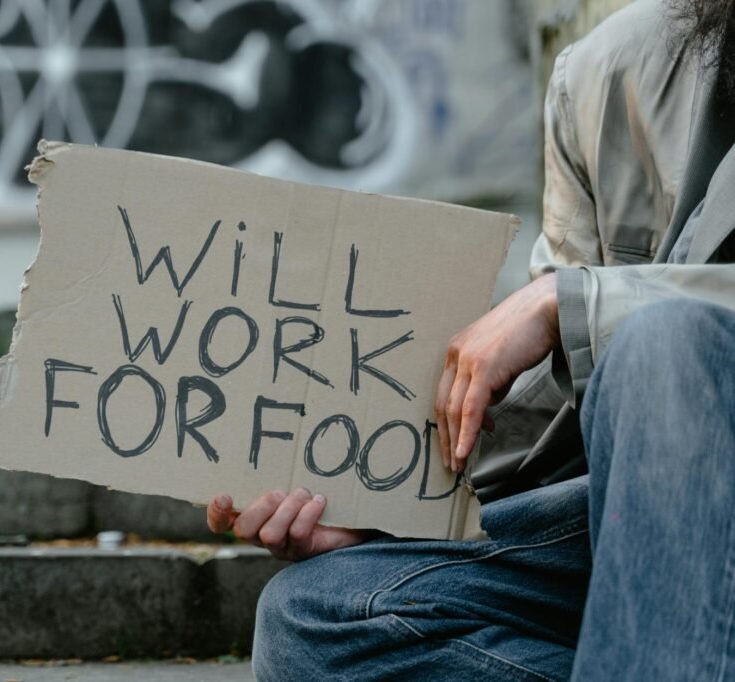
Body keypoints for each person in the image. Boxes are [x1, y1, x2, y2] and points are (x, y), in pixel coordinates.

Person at [207, 0, 735, 678]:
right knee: (318, 619)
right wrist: (388, 502)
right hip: (642, 525)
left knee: (664, 344)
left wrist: (577, 303)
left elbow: (613, 328)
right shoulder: (611, 70)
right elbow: (562, 412)